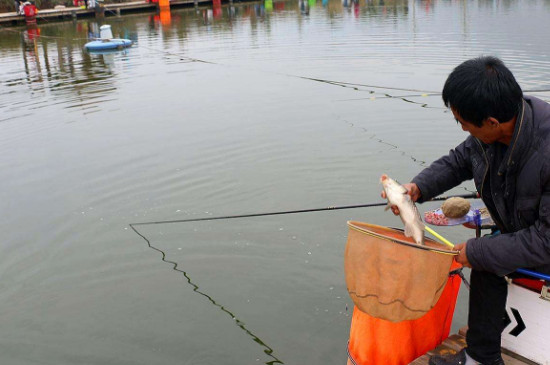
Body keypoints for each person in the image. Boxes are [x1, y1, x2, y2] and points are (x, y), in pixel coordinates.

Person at [383, 56, 550, 365]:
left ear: (491, 123)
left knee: (485, 253)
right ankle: (481, 356)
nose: (461, 128)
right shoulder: (494, 129)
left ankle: (481, 357)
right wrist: (416, 189)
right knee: (488, 251)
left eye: (463, 122)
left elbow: (545, 241)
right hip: (527, 232)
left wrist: (477, 252)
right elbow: (458, 161)